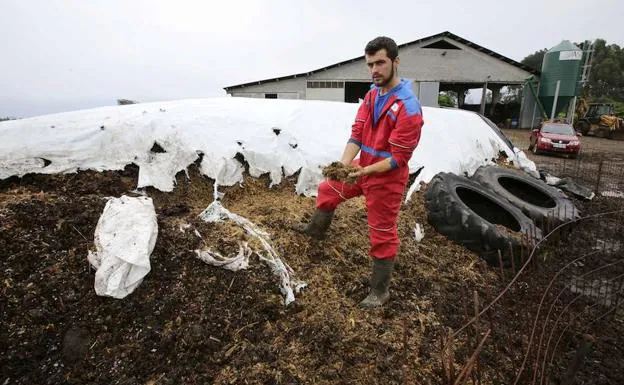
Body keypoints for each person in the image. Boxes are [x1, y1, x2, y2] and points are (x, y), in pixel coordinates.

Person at [294, 36, 424, 308]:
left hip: (386, 179)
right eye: (370, 64)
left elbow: (398, 158)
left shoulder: (408, 108)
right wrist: (343, 166)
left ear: (395, 62)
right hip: (362, 170)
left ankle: (380, 291)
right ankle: (316, 230)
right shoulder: (371, 96)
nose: (374, 70)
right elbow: (356, 135)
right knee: (327, 189)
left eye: (380, 63)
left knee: (381, 232)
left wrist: (364, 171)